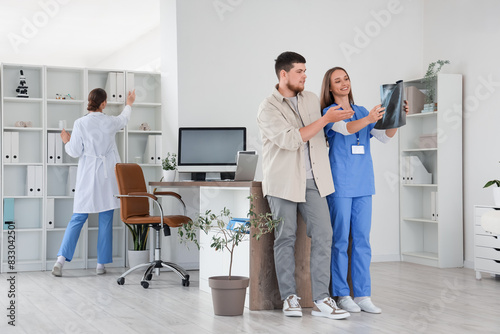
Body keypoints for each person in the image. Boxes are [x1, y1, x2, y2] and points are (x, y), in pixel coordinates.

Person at [257, 52, 353, 320]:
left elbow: (328, 130)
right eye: (299, 71)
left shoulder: (310, 99)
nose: (305, 76)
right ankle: (290, 297)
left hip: (314, 180)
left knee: (325, 235)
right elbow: (290, 140)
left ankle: (322, 299)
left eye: (305, 71)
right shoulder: (268, 107)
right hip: (283, 181)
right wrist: (324, 120)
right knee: (285, 238)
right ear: (283, 74)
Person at [319, 66, 407, 314]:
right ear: (330, 87)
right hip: (341, 185)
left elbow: (385, 137)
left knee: (362, 241)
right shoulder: (330, 112)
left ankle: (362, 294)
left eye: (346, 78)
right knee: (339, 241)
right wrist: (369, 118)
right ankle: (342, 294)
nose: (344, 83)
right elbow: (347, 129)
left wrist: (396, 117)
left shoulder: (360, 110)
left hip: (363, 184)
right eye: (338, 80)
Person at [52, 88, 136, 277]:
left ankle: (60, 261)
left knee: (78, 218)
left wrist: (67, 140)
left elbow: (74, 151)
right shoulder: (109, 121)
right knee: (105, 218)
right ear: (104, 103)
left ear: (89, 102)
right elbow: (124, 118)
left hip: (88, 175)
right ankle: (100, 265)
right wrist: (129, 102)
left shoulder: (80, 123)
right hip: (107, 176)